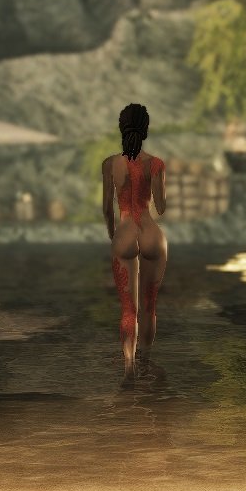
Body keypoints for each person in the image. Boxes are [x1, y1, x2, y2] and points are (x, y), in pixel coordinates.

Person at [102, 103, 167, 375]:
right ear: (145, 129)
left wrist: (113, 235)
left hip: (125, 232)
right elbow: (161, 208)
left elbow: (107, 208)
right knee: (149, 307)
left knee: (128, 309)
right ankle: (146, 362)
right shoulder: (156, 164)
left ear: (122, 128)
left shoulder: (110, 164)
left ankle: (129, 367)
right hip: (151, 233)